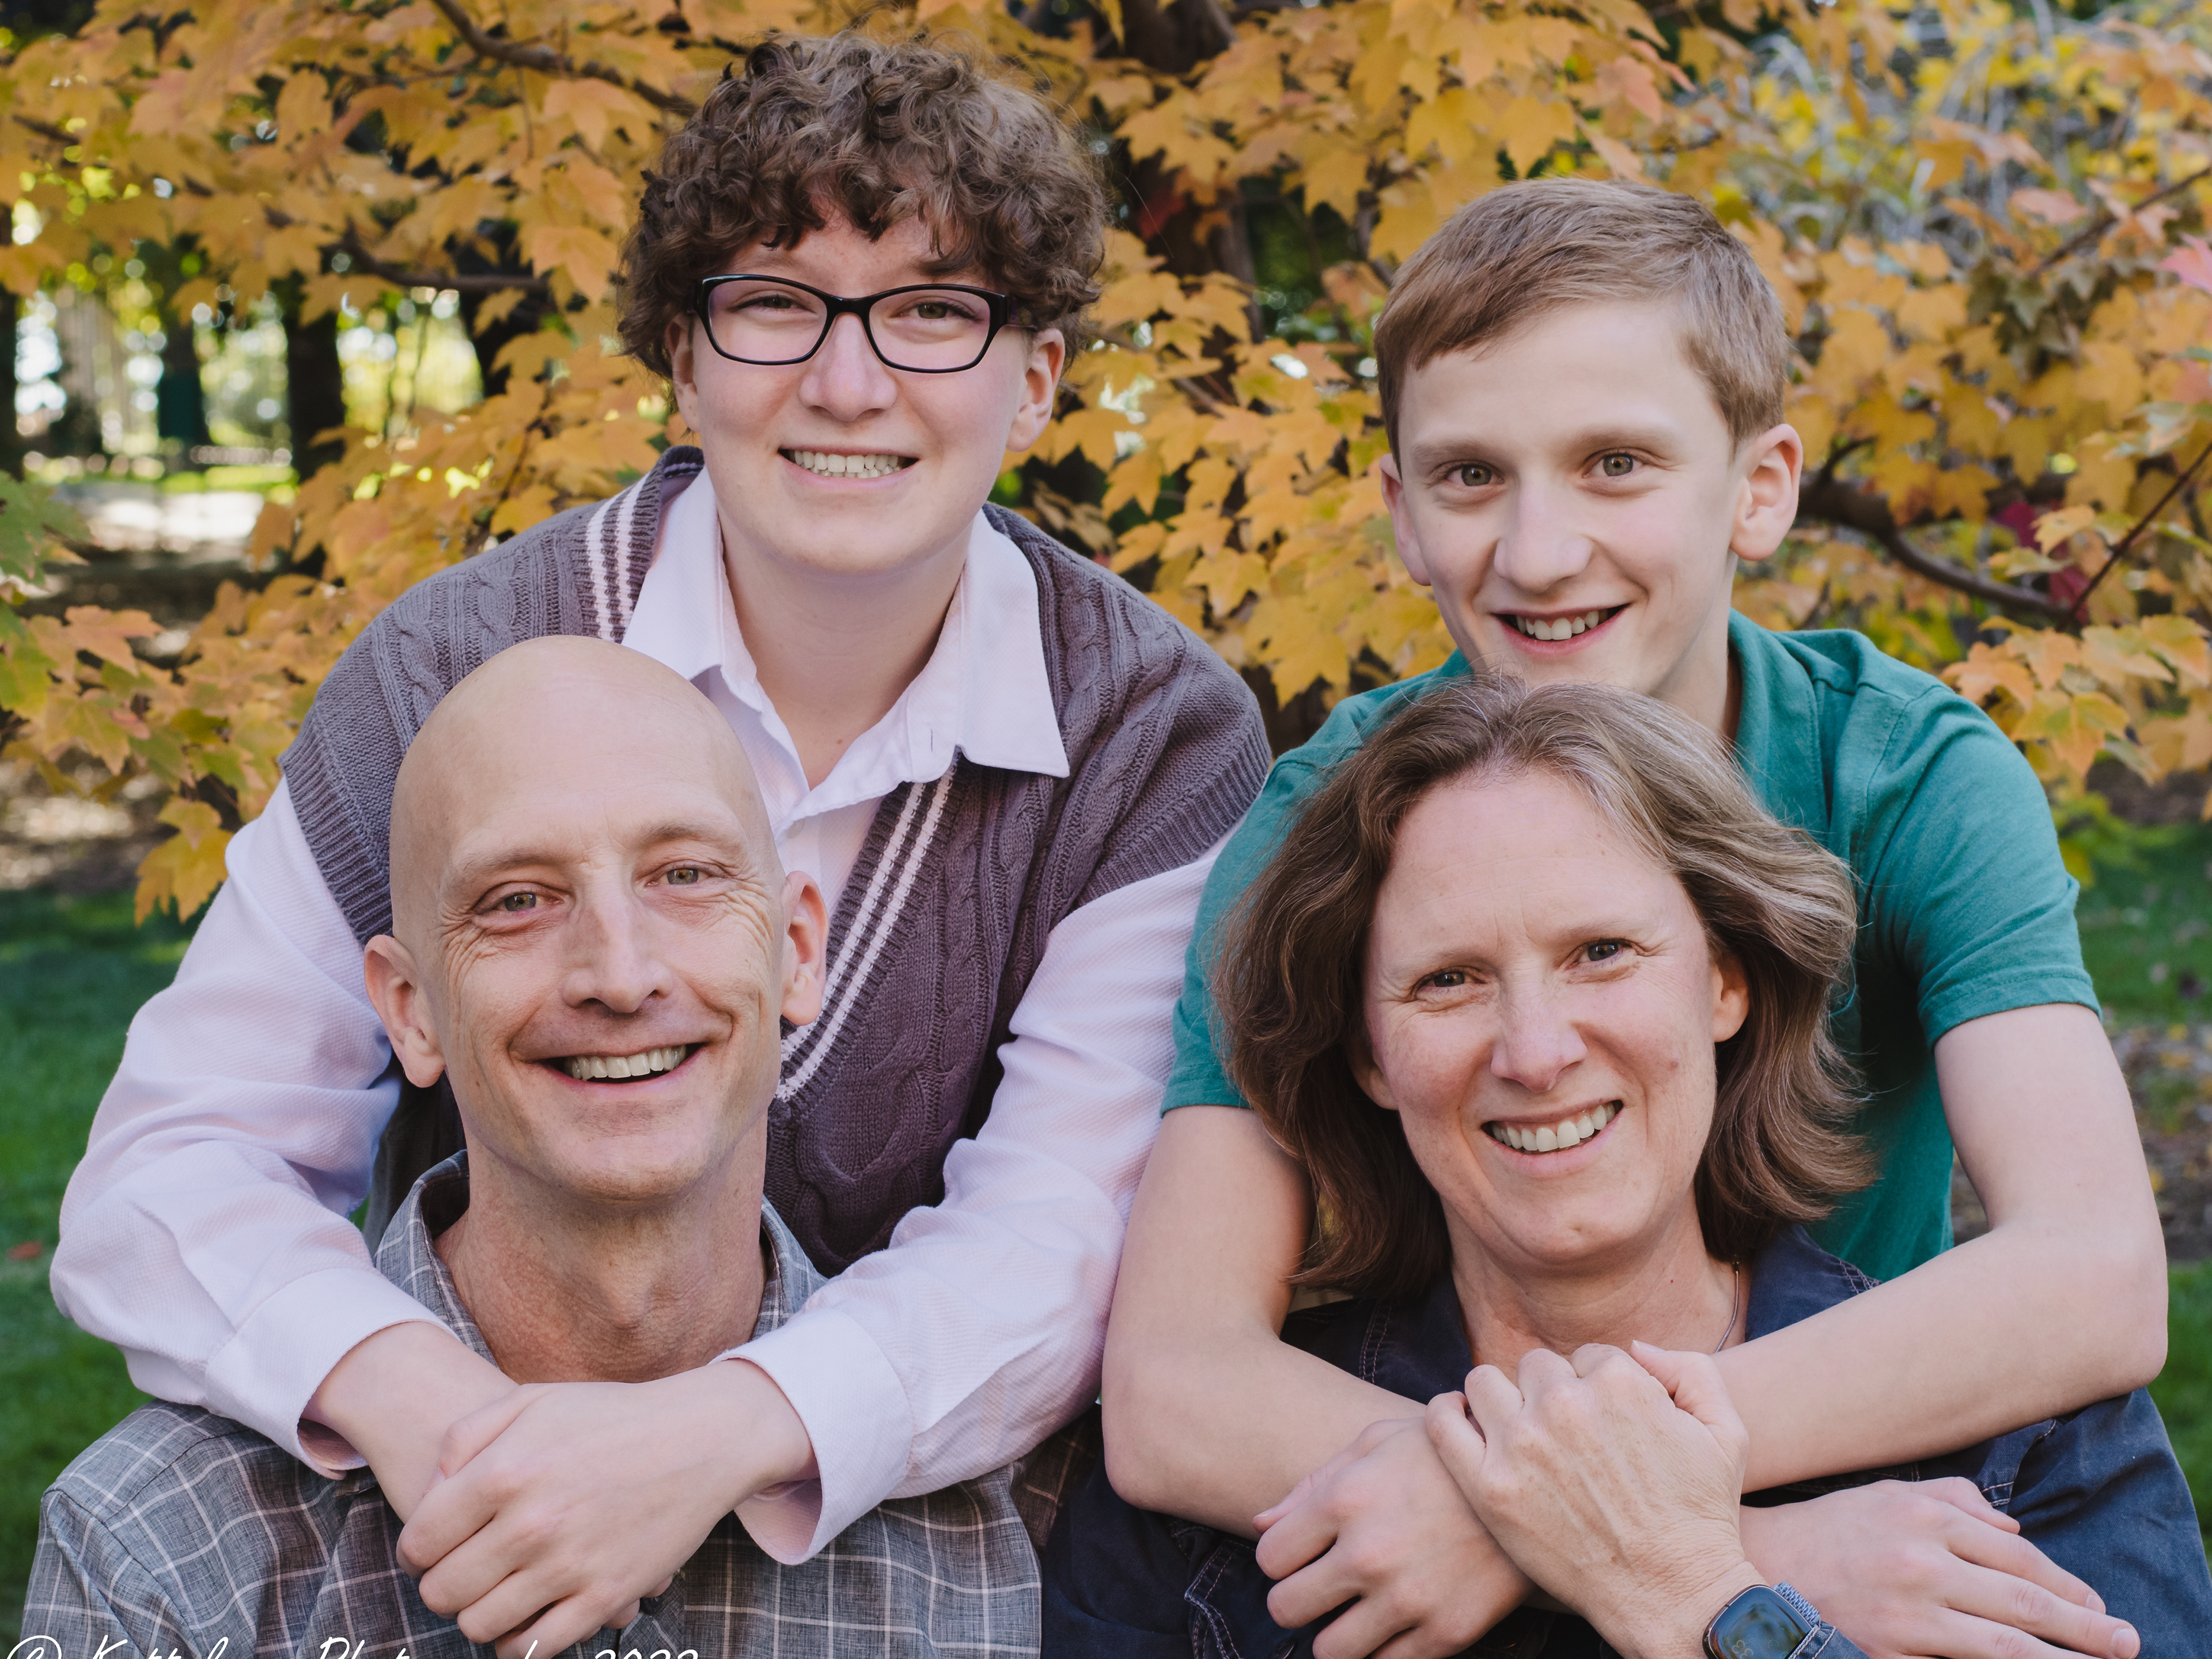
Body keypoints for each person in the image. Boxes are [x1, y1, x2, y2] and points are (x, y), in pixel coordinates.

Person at [49, 33, 1268, 1659]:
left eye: (931, 310)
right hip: (459, 1530)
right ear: (683, 364)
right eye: (773, 305)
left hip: (937, 1560)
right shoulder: (444, 676)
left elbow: (1067, 1239)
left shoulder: (1151, 734)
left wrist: (703, 1444)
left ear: (1035, 377)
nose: (849, 383)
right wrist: (455, 1429)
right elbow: (174, 1166)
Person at [1100, 178, 2168, 1659]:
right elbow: (1173, 1381)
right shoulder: (1334, 819)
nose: (1539, 552)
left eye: (1615, 464)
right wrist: (1706, 1549)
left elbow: (2095, 1270)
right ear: (1401, 514)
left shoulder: (1903, 775)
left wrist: (1634, 1505)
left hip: (1859, 1443)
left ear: (1761, 486)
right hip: (1445, 1437)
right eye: (1471, 476)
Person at [1049, 677, 2209, 1659]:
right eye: (1448, 980)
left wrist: (1698, 1591)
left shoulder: (2028, 1450)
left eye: (1601, 953)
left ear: (1725, 983)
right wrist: (1701, 1549)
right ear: (1368, 1056)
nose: (1535, 1051)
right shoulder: (1217, 1522)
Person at [26, 639, 1081, 1659]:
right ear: (411, 1011)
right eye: (518, 901)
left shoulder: (1025, 1526)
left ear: (797, 951)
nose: (619, 976)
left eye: (685, 875)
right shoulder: (159, 1548)